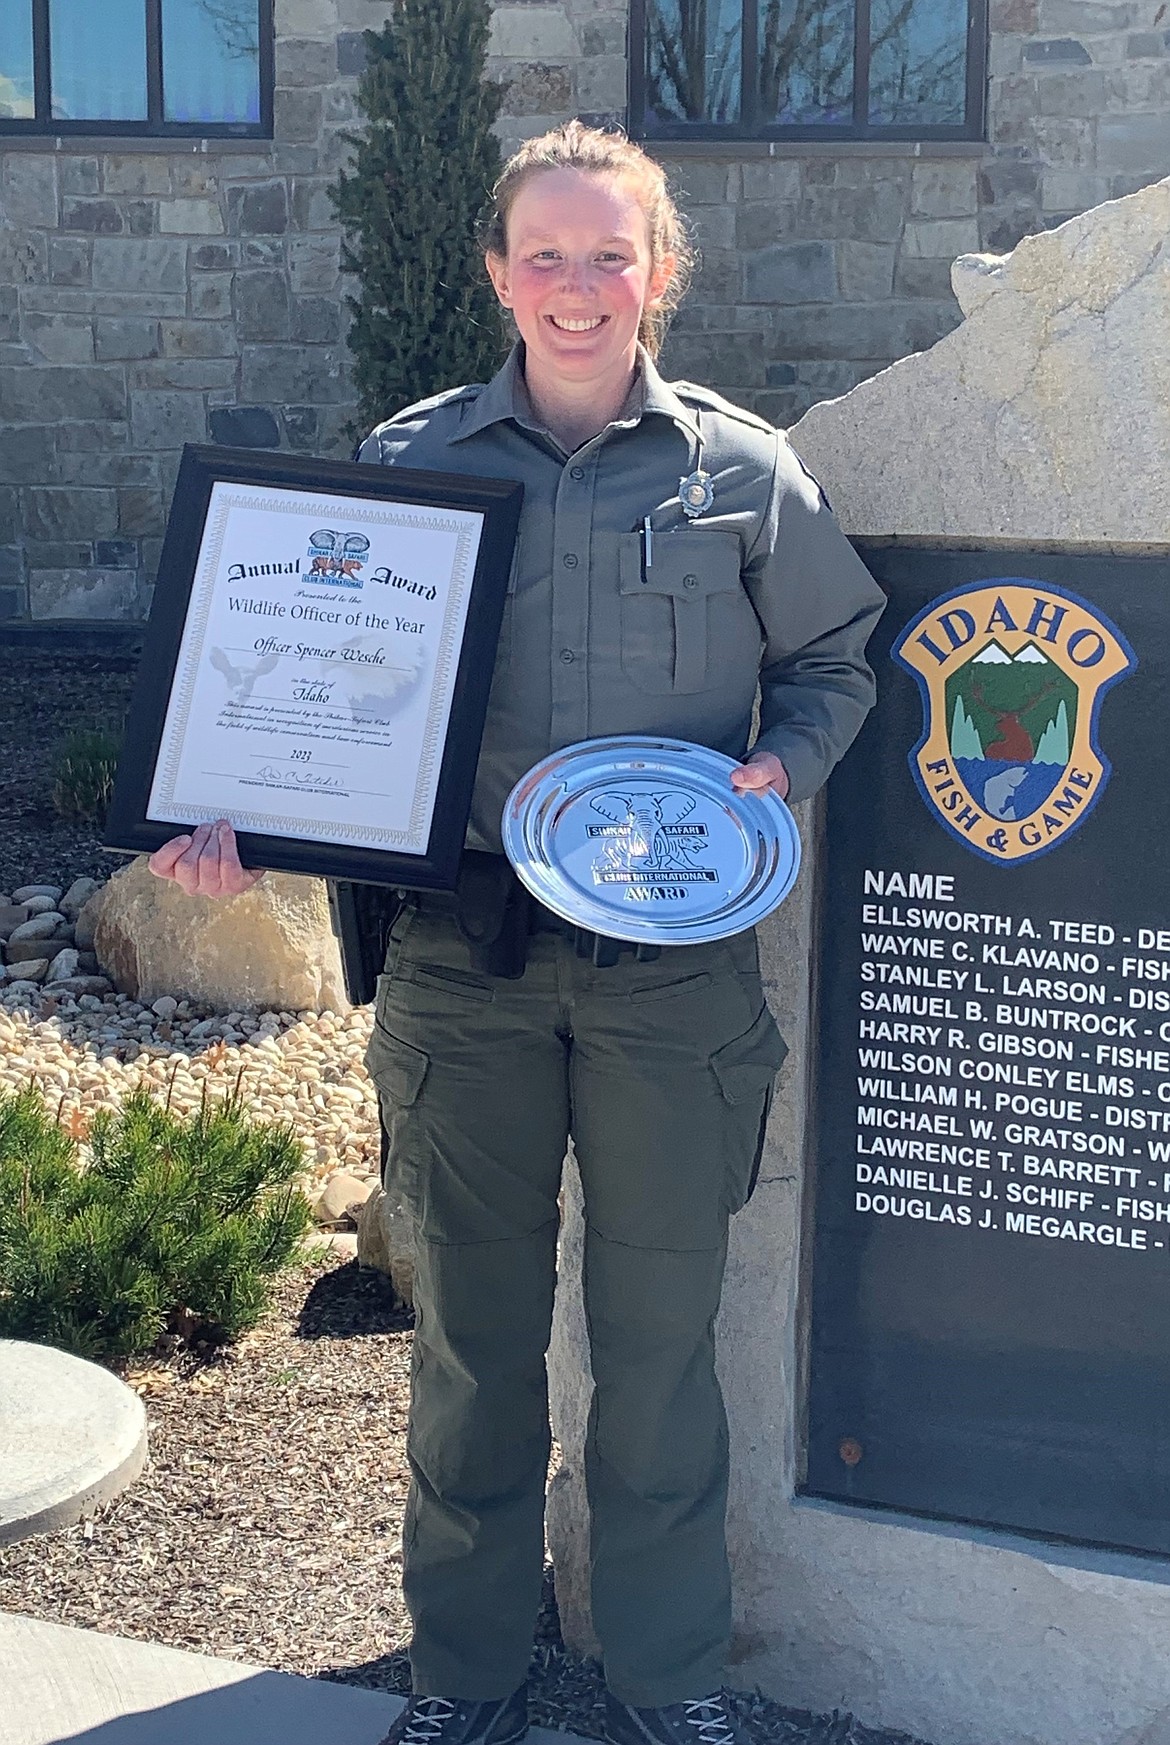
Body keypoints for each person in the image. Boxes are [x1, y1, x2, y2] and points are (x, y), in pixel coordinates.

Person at [150, 121, 885, 1745]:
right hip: (461, 966)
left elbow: (837, 655)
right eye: (542, 255)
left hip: (670, 974)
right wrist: (239, 816)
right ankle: (464, 1670)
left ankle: (664, 1672)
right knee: (473, 1343)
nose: (574, 286)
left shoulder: (740, 475)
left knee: (658, 1339)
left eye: (606, 254)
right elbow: (319, 690)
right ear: (497, 272)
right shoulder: (408, 471)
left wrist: (785, 768)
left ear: (659, 272)